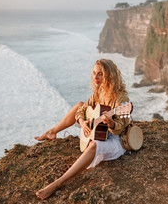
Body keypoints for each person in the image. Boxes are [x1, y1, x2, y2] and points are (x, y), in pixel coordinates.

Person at [34, 59, 130, 200]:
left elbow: (119, 128)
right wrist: (83, 124)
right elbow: (81, 110)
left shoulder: (121, 98)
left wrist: (110, 123)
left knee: (94, 145)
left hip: (115, 141)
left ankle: (57, 183)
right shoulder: (99, 92)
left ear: (109, 76)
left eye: (100, 74)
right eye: (94, 73)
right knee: (80, 104)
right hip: (98, 132)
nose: (95, 78)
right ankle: (53, 131)